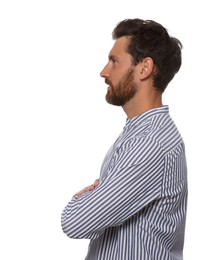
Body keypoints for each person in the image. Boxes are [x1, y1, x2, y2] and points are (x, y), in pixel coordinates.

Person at [61, 18, 188, 260]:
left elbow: (76, 223)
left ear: (144, 68)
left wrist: (81, 200)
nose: (104, 72)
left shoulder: (149, 143)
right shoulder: (138, 134)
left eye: (114, 61)